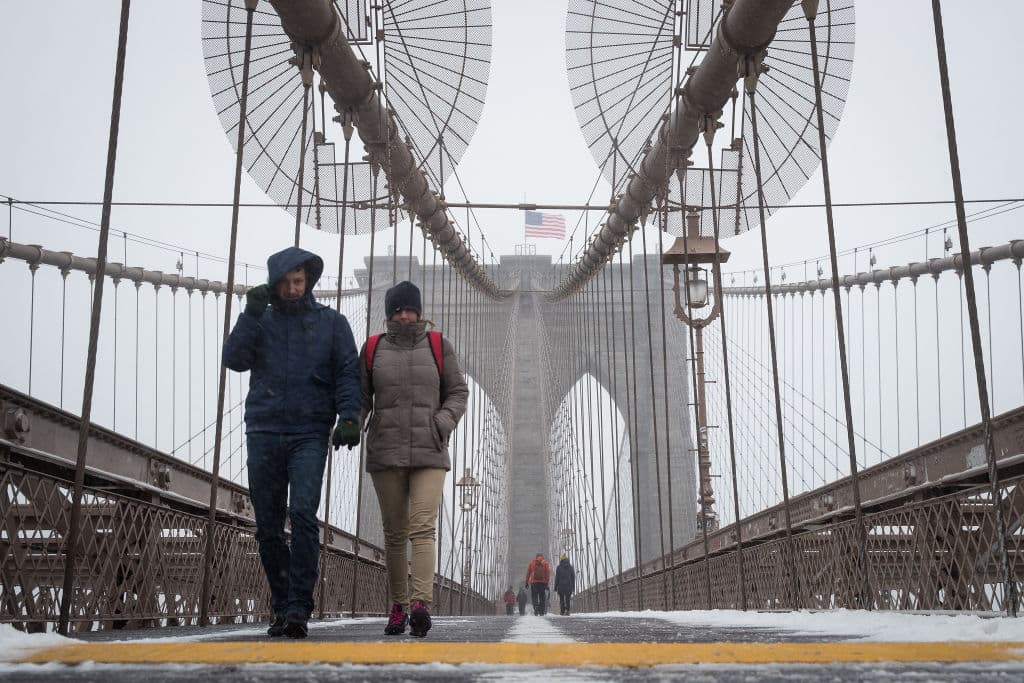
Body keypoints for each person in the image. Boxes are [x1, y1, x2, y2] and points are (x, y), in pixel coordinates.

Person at [223, 246, 361, 639]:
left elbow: (348, 374)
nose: (292, 289)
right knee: (267, 526)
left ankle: (299, 606)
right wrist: (249, 315)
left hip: (309, 432)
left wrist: (349, 416)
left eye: (298, 281)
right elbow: (233, 359)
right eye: (284, 283)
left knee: (302, 514)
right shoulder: (260, 320)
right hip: (263, 430)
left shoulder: (332, 324)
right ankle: (281, 603)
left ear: (309, 281)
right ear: (274, 284)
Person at [361, 281, 468, 638]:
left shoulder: (439, 346)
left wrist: (442, 423)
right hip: (387, 451)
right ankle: (398, 607)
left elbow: (457, 391)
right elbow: (360, 397)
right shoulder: (373, 348)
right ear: (389, 313)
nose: (404, 315)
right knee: (394, 534)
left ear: (420, 312)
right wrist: (350, 422)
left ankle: (421, 605)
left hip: (429, 450)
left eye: (410, 309)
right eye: (397, 309)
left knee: (423, 527)